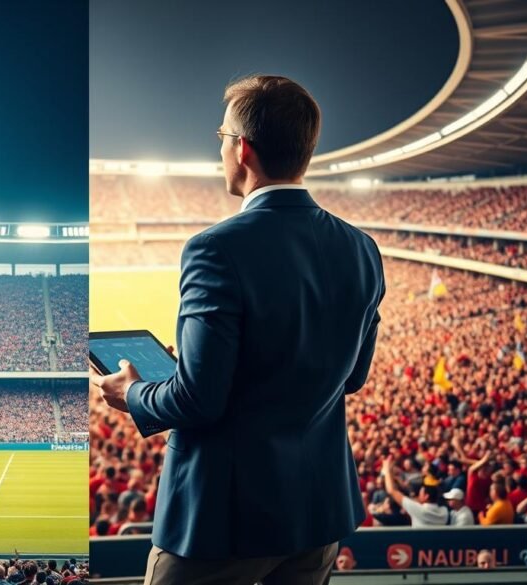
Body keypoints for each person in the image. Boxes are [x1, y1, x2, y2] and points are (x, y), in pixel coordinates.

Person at [91, 74, 384, 584]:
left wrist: (133, 392)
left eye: (221, 137)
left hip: (222, 520)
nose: (221, 149)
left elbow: (199, 401)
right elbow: (352, 377)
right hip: (316, 513)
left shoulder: (215, 248)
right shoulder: (362, 248)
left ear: (242, 148)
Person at [381, 456, 448, 526]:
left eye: (420, 494)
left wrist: (387, 469)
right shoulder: (444, 511)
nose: (418, 496)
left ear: (426, 496)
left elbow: (391, 490)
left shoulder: (418, 510)